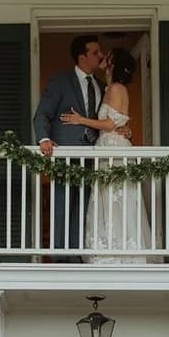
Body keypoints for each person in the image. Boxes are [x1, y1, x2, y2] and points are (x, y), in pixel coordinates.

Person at [55, 44, 150, 261]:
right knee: (107, 197)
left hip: (112, 148)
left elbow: (109, 123)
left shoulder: (116, 88)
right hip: (109, 145)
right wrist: (127, 129)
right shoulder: (109, 88)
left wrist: (81, 120)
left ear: (114, 64)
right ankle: (108, 246)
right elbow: (119, 121)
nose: (103, 58)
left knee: (115, 196)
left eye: (108, 57)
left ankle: (119, 251)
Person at [33, 33, 106, 253]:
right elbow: (42, 115)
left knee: (84, 206)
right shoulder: (61, 81)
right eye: (95, 53)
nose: (100, 56)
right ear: (82, 57)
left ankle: (78, 254)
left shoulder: (102, 86)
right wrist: (44, 139)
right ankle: (60, 256)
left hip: (92, 155)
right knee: (62, 204)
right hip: (65, 153)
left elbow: (104, 120)